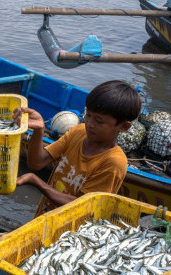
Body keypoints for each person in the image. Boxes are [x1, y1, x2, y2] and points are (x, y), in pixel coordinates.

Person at [13, 80, 141, 216]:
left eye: (99, 121)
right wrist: (39, 130)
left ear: (123, 127)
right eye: (89, 115)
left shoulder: (113, 162)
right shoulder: (79, 132)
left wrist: (36, 181)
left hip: (73, 231)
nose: (89, 124)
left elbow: (84, 205)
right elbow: (36, 163)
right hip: (45, 216)